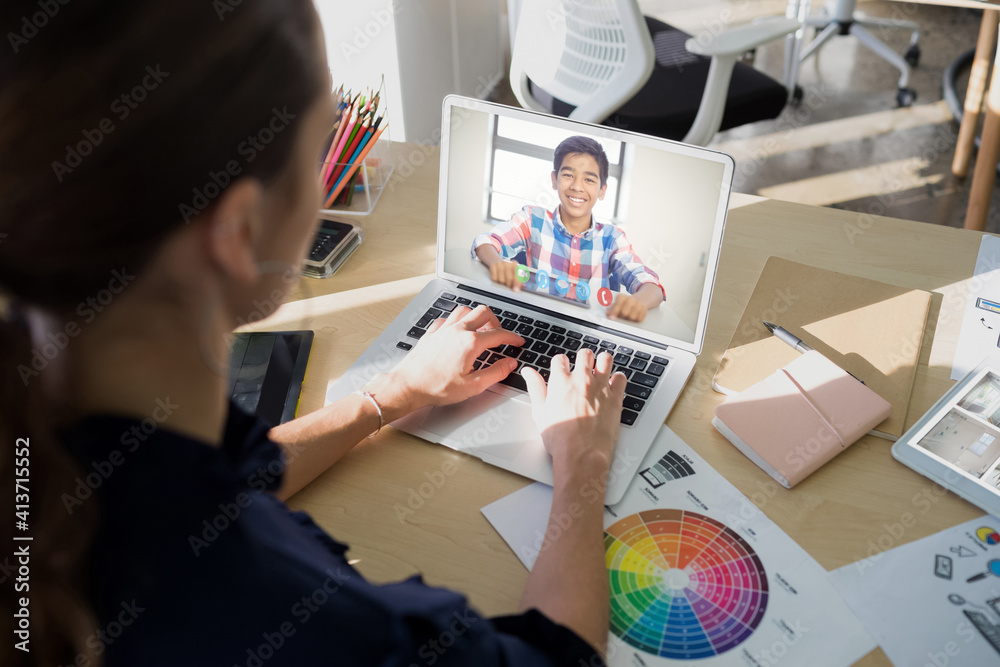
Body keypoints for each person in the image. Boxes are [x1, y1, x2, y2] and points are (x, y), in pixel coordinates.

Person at [0, 1, 628, 666]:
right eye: (323, 138)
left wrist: (388, 395)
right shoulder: (324, 630)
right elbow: (560, 658)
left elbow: (197, 489)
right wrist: (581, 462)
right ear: (238, 231)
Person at [472, 136, 665, 323]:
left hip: (591, 330)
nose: (577, 186)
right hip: (537, 320)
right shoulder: (533, 220)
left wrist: (638, 302)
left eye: (589, 180)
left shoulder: (612, 238)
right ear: (555, 180)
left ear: (602, 190)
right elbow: (485, 242)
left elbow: (650, 284)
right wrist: (497, 263)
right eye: (568, 175)